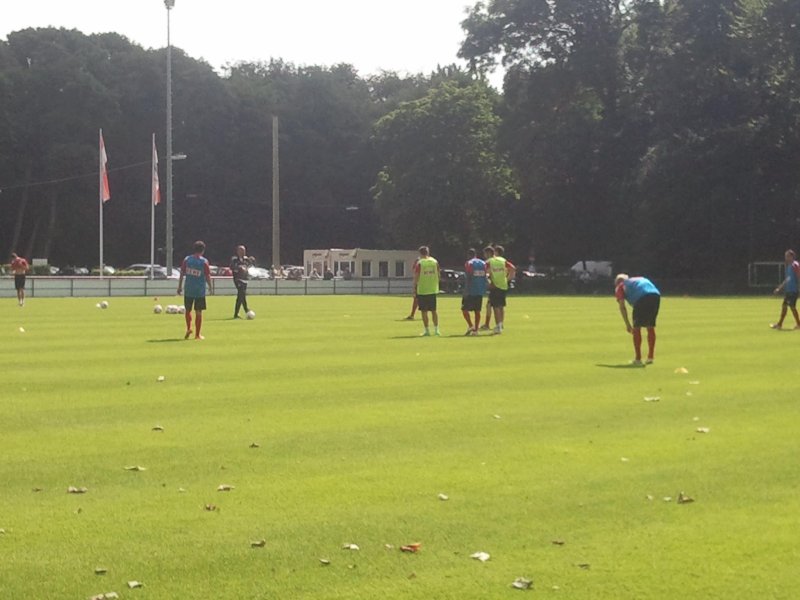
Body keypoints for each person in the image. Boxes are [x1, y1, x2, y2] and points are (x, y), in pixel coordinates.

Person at [614, 273, 661, 365]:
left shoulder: (620, 286)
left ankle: (638, 358)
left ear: (617, 281)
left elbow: (622, 306)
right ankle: (650, 357)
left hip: (641, 298)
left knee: (637, 328)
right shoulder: (639, 278)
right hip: (656, 295)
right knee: (650, 326)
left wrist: (628, 324)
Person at [177, 240, 213, 340]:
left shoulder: (187, 260)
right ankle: (197, 335)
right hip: (199, 291)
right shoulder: (204, 261)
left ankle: (188, 328)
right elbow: (207, 275)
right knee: (198, 312)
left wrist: (179, 286)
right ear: (203, 250)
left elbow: (181, 273)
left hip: (188, 289)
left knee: (188, 310)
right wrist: (210, 287)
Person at [485, 245, 516, 334]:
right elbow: (513, 268)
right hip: (503, 285)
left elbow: (484, 271)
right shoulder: (503, 261)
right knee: (501, 306)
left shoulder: (490, 261)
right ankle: (501, 324)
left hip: (495, 286)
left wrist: (488, 281)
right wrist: (508, 279)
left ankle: (498, 326)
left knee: (495, 307)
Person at [413, 246, 440, 336]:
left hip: (423, 289)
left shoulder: (420, 263)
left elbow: (416, 276)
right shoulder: (434, 262)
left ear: (420, 253)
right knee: (434, 310)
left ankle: (427, 330)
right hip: (433, 289)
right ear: (428, 252)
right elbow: (438, 274)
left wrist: (414, 288)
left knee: (424, 311)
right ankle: (436, 330)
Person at [770, 249, 800, 329]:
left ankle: (780, 324)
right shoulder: (789, 267)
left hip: (793, 291)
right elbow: (787, 279)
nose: (786, 258)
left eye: (787, 256)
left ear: (792, 256)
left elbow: (798, 275)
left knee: (787, 306)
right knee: (790, 307)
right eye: (785, 256)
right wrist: (779, 288)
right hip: (789, 290)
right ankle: (797, 324)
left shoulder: (795, 265)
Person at [462, 248, 487, 335]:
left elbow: (468, 276)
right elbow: (486, 276)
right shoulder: (483, 263)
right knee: (477, 311)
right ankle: (476, 329)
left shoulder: (469, 263)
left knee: (464, 309)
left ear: (468, 255)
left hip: (471, 290)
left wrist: (466, 290)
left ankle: (471, 325)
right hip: (480, 290)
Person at [230, 245, 254, 319]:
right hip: (238, 280)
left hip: (245, 280)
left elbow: (250, 267)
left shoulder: (246, 260)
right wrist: (238, 268)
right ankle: (237, 313)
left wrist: (251, 262)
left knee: (242, 295)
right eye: (241, 251)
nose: (243, 252)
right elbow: (232, 267)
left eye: (244, 251)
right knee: (241, 294)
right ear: (237, 252)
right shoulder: (234, 260)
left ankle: (246, 310)